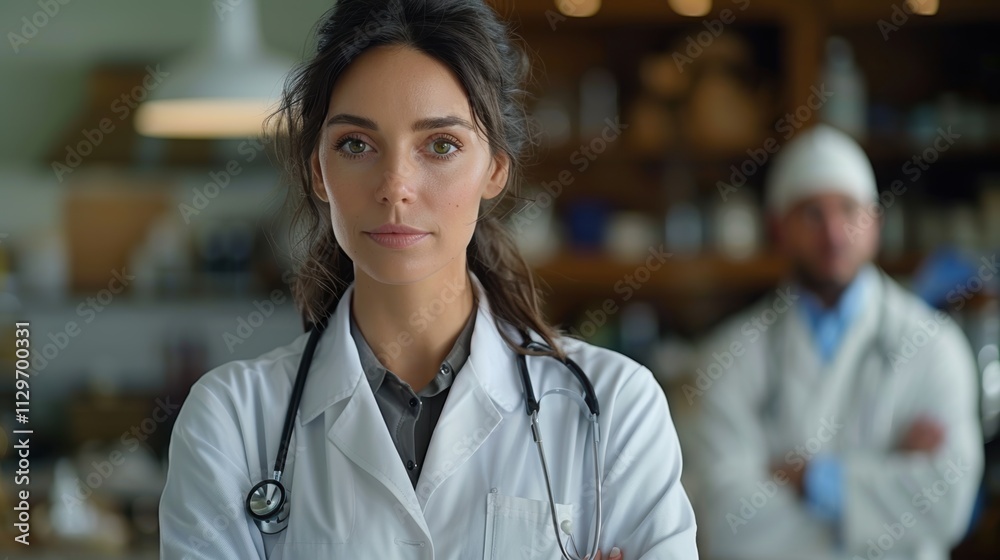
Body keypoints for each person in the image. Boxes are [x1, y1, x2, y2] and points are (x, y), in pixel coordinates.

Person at [158, 1, 698, 558]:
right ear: (318, 170)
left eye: (441, 145)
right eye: (356, 144)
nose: (396, 186)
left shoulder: (615, 408)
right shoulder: (231, 419)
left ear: (495, 168)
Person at [682, 124, 983, 559]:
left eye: (848, 209)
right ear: (778, 228)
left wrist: (811, 480)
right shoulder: (728, 357)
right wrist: (883, 482)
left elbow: (948, 506)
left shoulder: (934, 346)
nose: (834, 233)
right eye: (811, 214)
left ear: (875, 223)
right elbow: (721, 525)